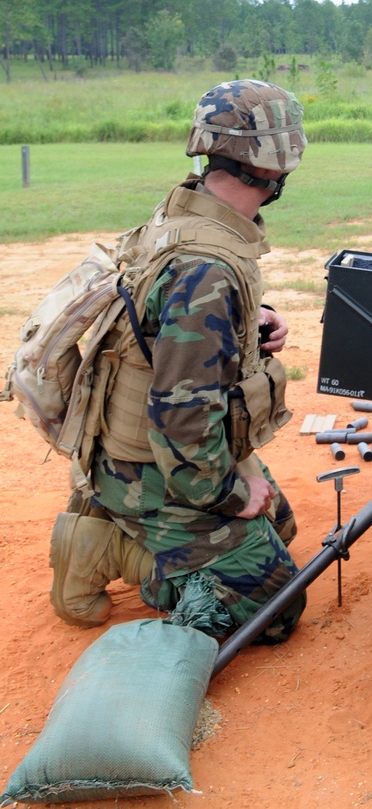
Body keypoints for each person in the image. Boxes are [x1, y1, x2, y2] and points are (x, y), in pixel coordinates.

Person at [48, 79, 308, 643]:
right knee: (276, 606)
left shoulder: (186, 213)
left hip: (145, 448)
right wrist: (231, 494)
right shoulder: (207, 269)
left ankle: (121, 520)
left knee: (280, 524)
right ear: (274, 164)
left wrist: (252, 318)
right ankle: (107, 546)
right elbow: (182, 419)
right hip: (154, 468)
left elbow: (164, 323)